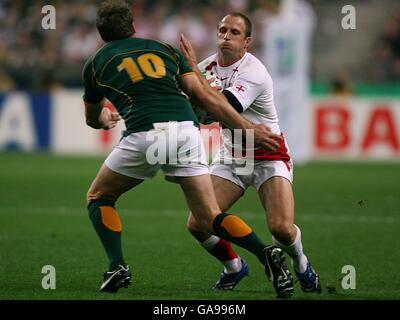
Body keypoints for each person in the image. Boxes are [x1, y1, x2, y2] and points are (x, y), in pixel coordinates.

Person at [82, 1, 293, 297]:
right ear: (133, 26)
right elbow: (204, 97)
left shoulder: (95, 62)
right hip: (185, 130)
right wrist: (245, 128)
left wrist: (105, 117)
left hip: (147, 134)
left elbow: (93, 118)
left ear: (100, 31)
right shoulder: (165, 49)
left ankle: (117, 265)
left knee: (99, 196)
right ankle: (265, 253)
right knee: (207, 217)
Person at [179, 12, 321, 294]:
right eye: (222, 30)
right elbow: (205, 116)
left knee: (281, 229)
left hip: (268, 153)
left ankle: (301, 262)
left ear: (247, 42)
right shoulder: (206, 67)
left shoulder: (253, 72)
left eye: (234, 32)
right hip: (233, 155)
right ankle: (234, 266)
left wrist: (193, 73)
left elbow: (226, 108)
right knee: (198, 223)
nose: (226, 36)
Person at [258, 0, 316, 165]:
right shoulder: (269, 22)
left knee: (295, 115)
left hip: (296, 77)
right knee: (275, 115)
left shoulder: (299, 21)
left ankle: (297, 153)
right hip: (275, 76)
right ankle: (276, 149)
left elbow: (307, 14)